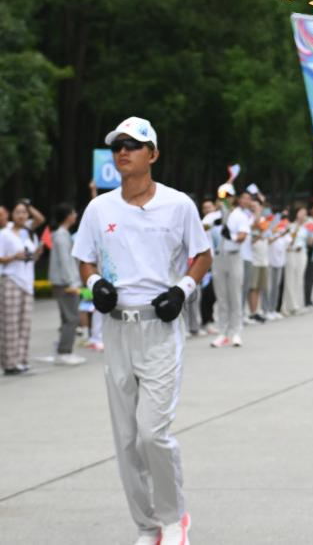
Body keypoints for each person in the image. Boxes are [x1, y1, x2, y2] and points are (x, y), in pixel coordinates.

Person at [72, 116, 211, 545]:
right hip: (117, 329)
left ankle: (173, 518)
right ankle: (146, 526)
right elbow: (84, 259)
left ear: (153, 154)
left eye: (132, 145)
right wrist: (96, 284)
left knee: (152, 433)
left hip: (160, 327)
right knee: (127, 439)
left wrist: (182, 290)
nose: (123, 152)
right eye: (118, 145)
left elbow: (202, 255)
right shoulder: (99, 209)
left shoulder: (178, 205)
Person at [0, 200, 44, 374]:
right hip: (11, 280)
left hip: (27, 283)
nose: (21, 215)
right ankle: (10, 364)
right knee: (10, 324)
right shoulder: (5, 233)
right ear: (12, 215)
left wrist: (37, 254)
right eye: (18, 212)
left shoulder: (29, 233)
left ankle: (22, 361)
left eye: (24, 212)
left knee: (25, 325)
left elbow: (30, 258)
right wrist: (13, 257)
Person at [48, 202, 87, 365]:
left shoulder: (61, 234)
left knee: (68, 318)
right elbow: (65, 261)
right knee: (72, 318)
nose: (75, 216)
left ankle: (63, 351)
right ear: (67, 216)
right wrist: (72, 282)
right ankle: (65, 352)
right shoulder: (61, 236)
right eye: (73, 213)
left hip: (64, 282)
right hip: (66, 283)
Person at [212, 189, 252, 347]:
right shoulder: (214, 216)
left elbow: (243, 235)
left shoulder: (239, 216)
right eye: (222, 197)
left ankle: (236, 332)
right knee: (221, 297)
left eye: (228, 196)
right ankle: (222, 333)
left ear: (233, 198)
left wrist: (232, 237)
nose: (225, 199)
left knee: (235, 295)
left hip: (234, 256)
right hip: (218, 258)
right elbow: (202, 228)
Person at [282, 205, 310, 317]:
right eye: (301, 212)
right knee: (290, 279)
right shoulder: (290, 226)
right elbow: (287, 240)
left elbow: (308, 240)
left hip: (302, 254)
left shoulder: (306, 227)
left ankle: (299, 304)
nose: (303, 215)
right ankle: (289, 306)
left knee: (299, 278)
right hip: (291, 253)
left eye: (305, 213)